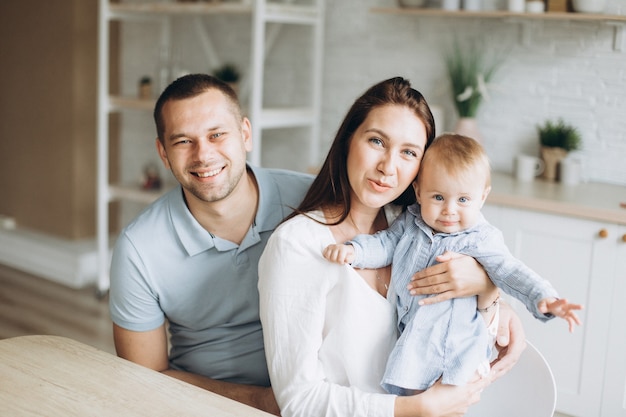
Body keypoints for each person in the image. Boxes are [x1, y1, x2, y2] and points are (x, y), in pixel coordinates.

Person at [257, 77, 526, 417]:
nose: (388, 166)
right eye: (376, 141)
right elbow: (298, 400)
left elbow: (470, 325)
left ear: (421, 171)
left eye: (409, 152)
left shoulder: (420, 227)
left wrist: (490, 295)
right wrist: (413, 408)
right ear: (347, 142)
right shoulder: (298, 245)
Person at [323, 133, 583, 396]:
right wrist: (355, 251)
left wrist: (544, 297)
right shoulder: (411, 223)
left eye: (462, 200)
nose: (449, 210)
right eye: (438, 197)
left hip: (455, 351)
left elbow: (509, 270)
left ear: (482, 197)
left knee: (438, 404)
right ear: (419, 192)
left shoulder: (480, 238)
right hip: (413, 341)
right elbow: (385, 244)